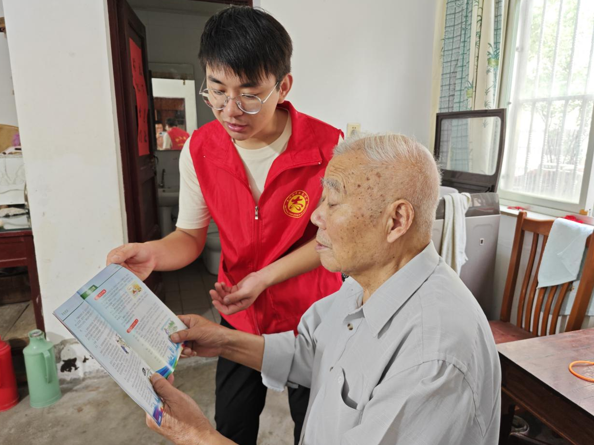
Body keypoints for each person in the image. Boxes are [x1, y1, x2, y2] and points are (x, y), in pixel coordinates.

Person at [145, 134, 502, 445]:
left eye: (332, 203)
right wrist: (224, 342)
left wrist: (194, 435)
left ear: (396, 221)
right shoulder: (362, 283)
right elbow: (316, 354)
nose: (315, 216)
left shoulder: (433, 356)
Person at [107, 6, 343, 445]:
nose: (230, 110)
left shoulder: (329, 147)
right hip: (239, 313)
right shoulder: (200, 149)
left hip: (312, 314)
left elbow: (335, 241)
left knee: (316, 427)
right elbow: (190, 237)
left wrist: (266, 276)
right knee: (232, 424)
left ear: (283, 86)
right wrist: (152, 253)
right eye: (217, 91)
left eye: (249, 94)